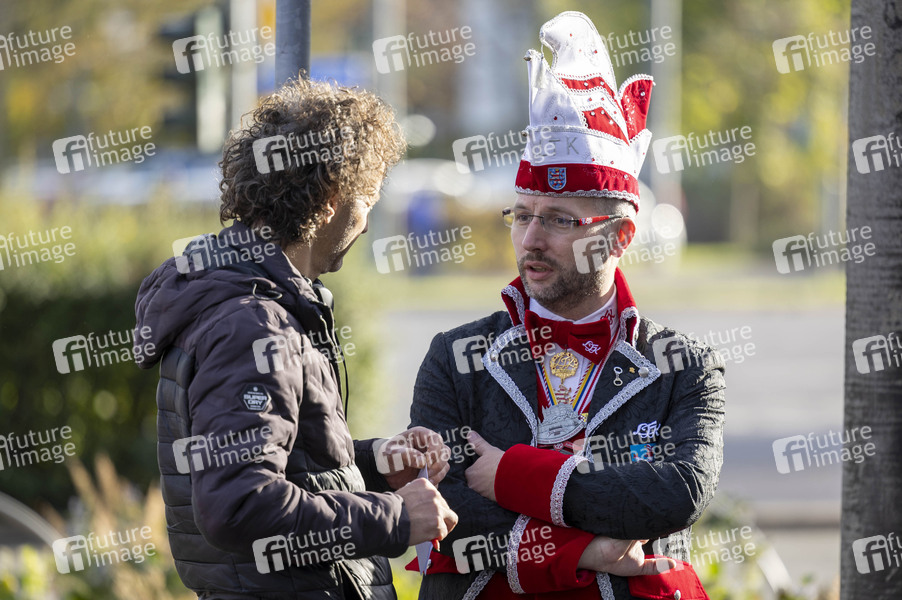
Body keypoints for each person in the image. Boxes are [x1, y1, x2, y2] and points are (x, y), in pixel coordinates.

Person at [406, 11, 725, 600]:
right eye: (521, 215)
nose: (530, 240)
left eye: (558, 220)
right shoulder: (454, 357)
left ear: (619, 238)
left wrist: (512, 475)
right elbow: (441, 508)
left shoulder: (684, 364)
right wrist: (581, 551)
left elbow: (678, 494)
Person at [135, 77, 457, 600]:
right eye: (368, 200)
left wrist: (374, 463)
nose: (366, 224)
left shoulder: (246, 298)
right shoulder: (252, 325)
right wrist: (396, 517)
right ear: (331, 199)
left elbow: (282, 464)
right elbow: (240, 504)